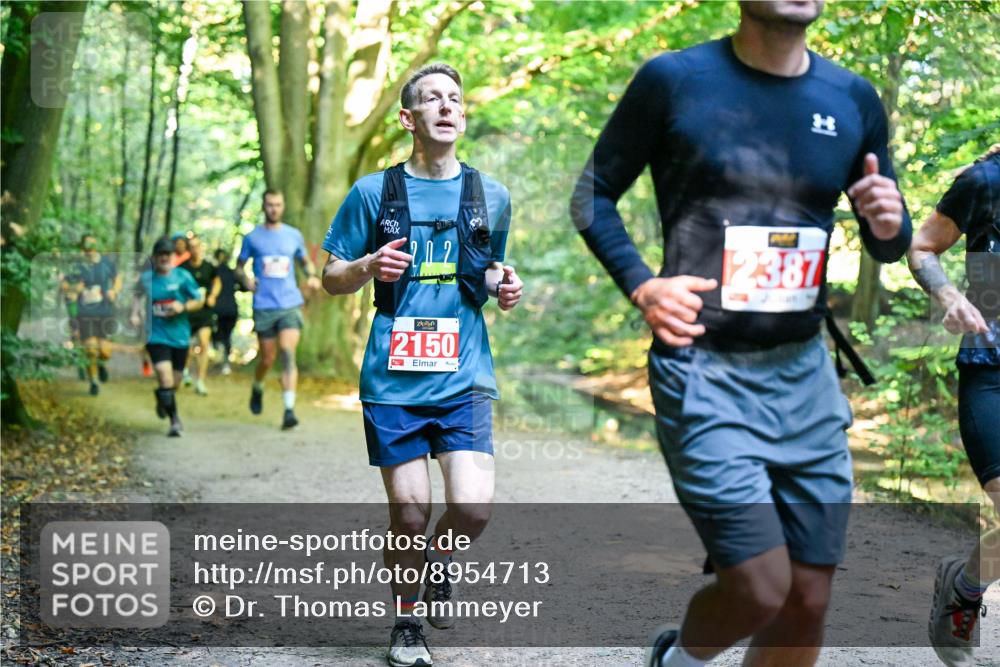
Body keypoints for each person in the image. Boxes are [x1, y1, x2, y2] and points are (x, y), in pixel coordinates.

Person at [569, 2, 912, 665]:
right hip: (703, 368)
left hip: (805, 372)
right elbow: (592, 194)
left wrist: (889, 221)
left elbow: (886, 242)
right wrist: (643, 284)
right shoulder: (674, 79)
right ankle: (678, 660)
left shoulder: (852, 97)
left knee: (808, 597)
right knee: (760, 585)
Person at [322, 63, 522, 667]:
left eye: (455, 99)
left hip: (463, 375)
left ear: (462, 116)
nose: (446, 106)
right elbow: (331, 278)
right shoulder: (372, 193)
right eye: (432, 99)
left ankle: (438, 562)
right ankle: (407, 623)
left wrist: (505, 284)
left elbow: (486, 269)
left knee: (472, 508)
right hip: (394, 381)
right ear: (409, 118)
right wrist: (365, 268)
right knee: (410, 511)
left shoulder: (491, 195)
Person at [909, 145, 999, 667]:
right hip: (992, 368)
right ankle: (965, 593)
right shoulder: (986, 182)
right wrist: (950, 297)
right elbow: (921, 245)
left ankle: (962, 583)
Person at [236, 189, 321, 429]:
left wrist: (312, 276)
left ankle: (289, 410)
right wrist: (246, 281)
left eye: (278, 204)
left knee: (287, 351)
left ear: (283, 206)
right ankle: (258, 385)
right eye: (270, 204)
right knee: (268, 358)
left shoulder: (293, 235)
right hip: (264, 305)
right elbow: (239, 268)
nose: (274, 208)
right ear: (263, 207)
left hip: (289, 304)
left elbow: (304, 262)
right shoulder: (252, 238)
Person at [130, 236, 204, 437]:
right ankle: (175, 421)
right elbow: (137, 296)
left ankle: (163, 399)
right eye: (160, 254)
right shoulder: (147, 279)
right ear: (154, 257)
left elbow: (199, 299)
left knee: (175, 382)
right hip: (156, 336)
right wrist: (135, 313)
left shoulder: (183, 277)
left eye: (168, 254)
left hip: (180, 336)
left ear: (174, 256)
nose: (164, 258)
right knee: (164, 375)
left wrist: (183, 306)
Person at [63, 233, 122, 396]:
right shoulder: (77, 266)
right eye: (87, 247)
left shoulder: (106, 263)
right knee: (90, 349)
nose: (90, 250)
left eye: (93, 246)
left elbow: (117, 278)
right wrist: (75, 290)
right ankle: (93, 381)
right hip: (84, 314)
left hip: (104, 312)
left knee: (105, 352)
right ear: (83, 248)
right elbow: (64, 285)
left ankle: (101, 364)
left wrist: (114, 291)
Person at [180, 235, 221, 395]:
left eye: (197, 246)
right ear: (188, 250)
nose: (195, 249)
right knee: (186, 346)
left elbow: (217, 282)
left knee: (204, 343)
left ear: (201, 247)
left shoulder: (209, 267)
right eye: (192, 246)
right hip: (188, 312)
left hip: (204, 312)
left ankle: (201, 381)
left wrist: (212, 296)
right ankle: (184, 371)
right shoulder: (183, 269)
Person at [212, 247, 241, 375]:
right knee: (226, 336)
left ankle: (221, 358)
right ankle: (224, 362)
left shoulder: (214, 272)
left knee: (219, 334)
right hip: (231, 309)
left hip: (219, 310)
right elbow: (244, 286)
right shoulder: (232, 273)